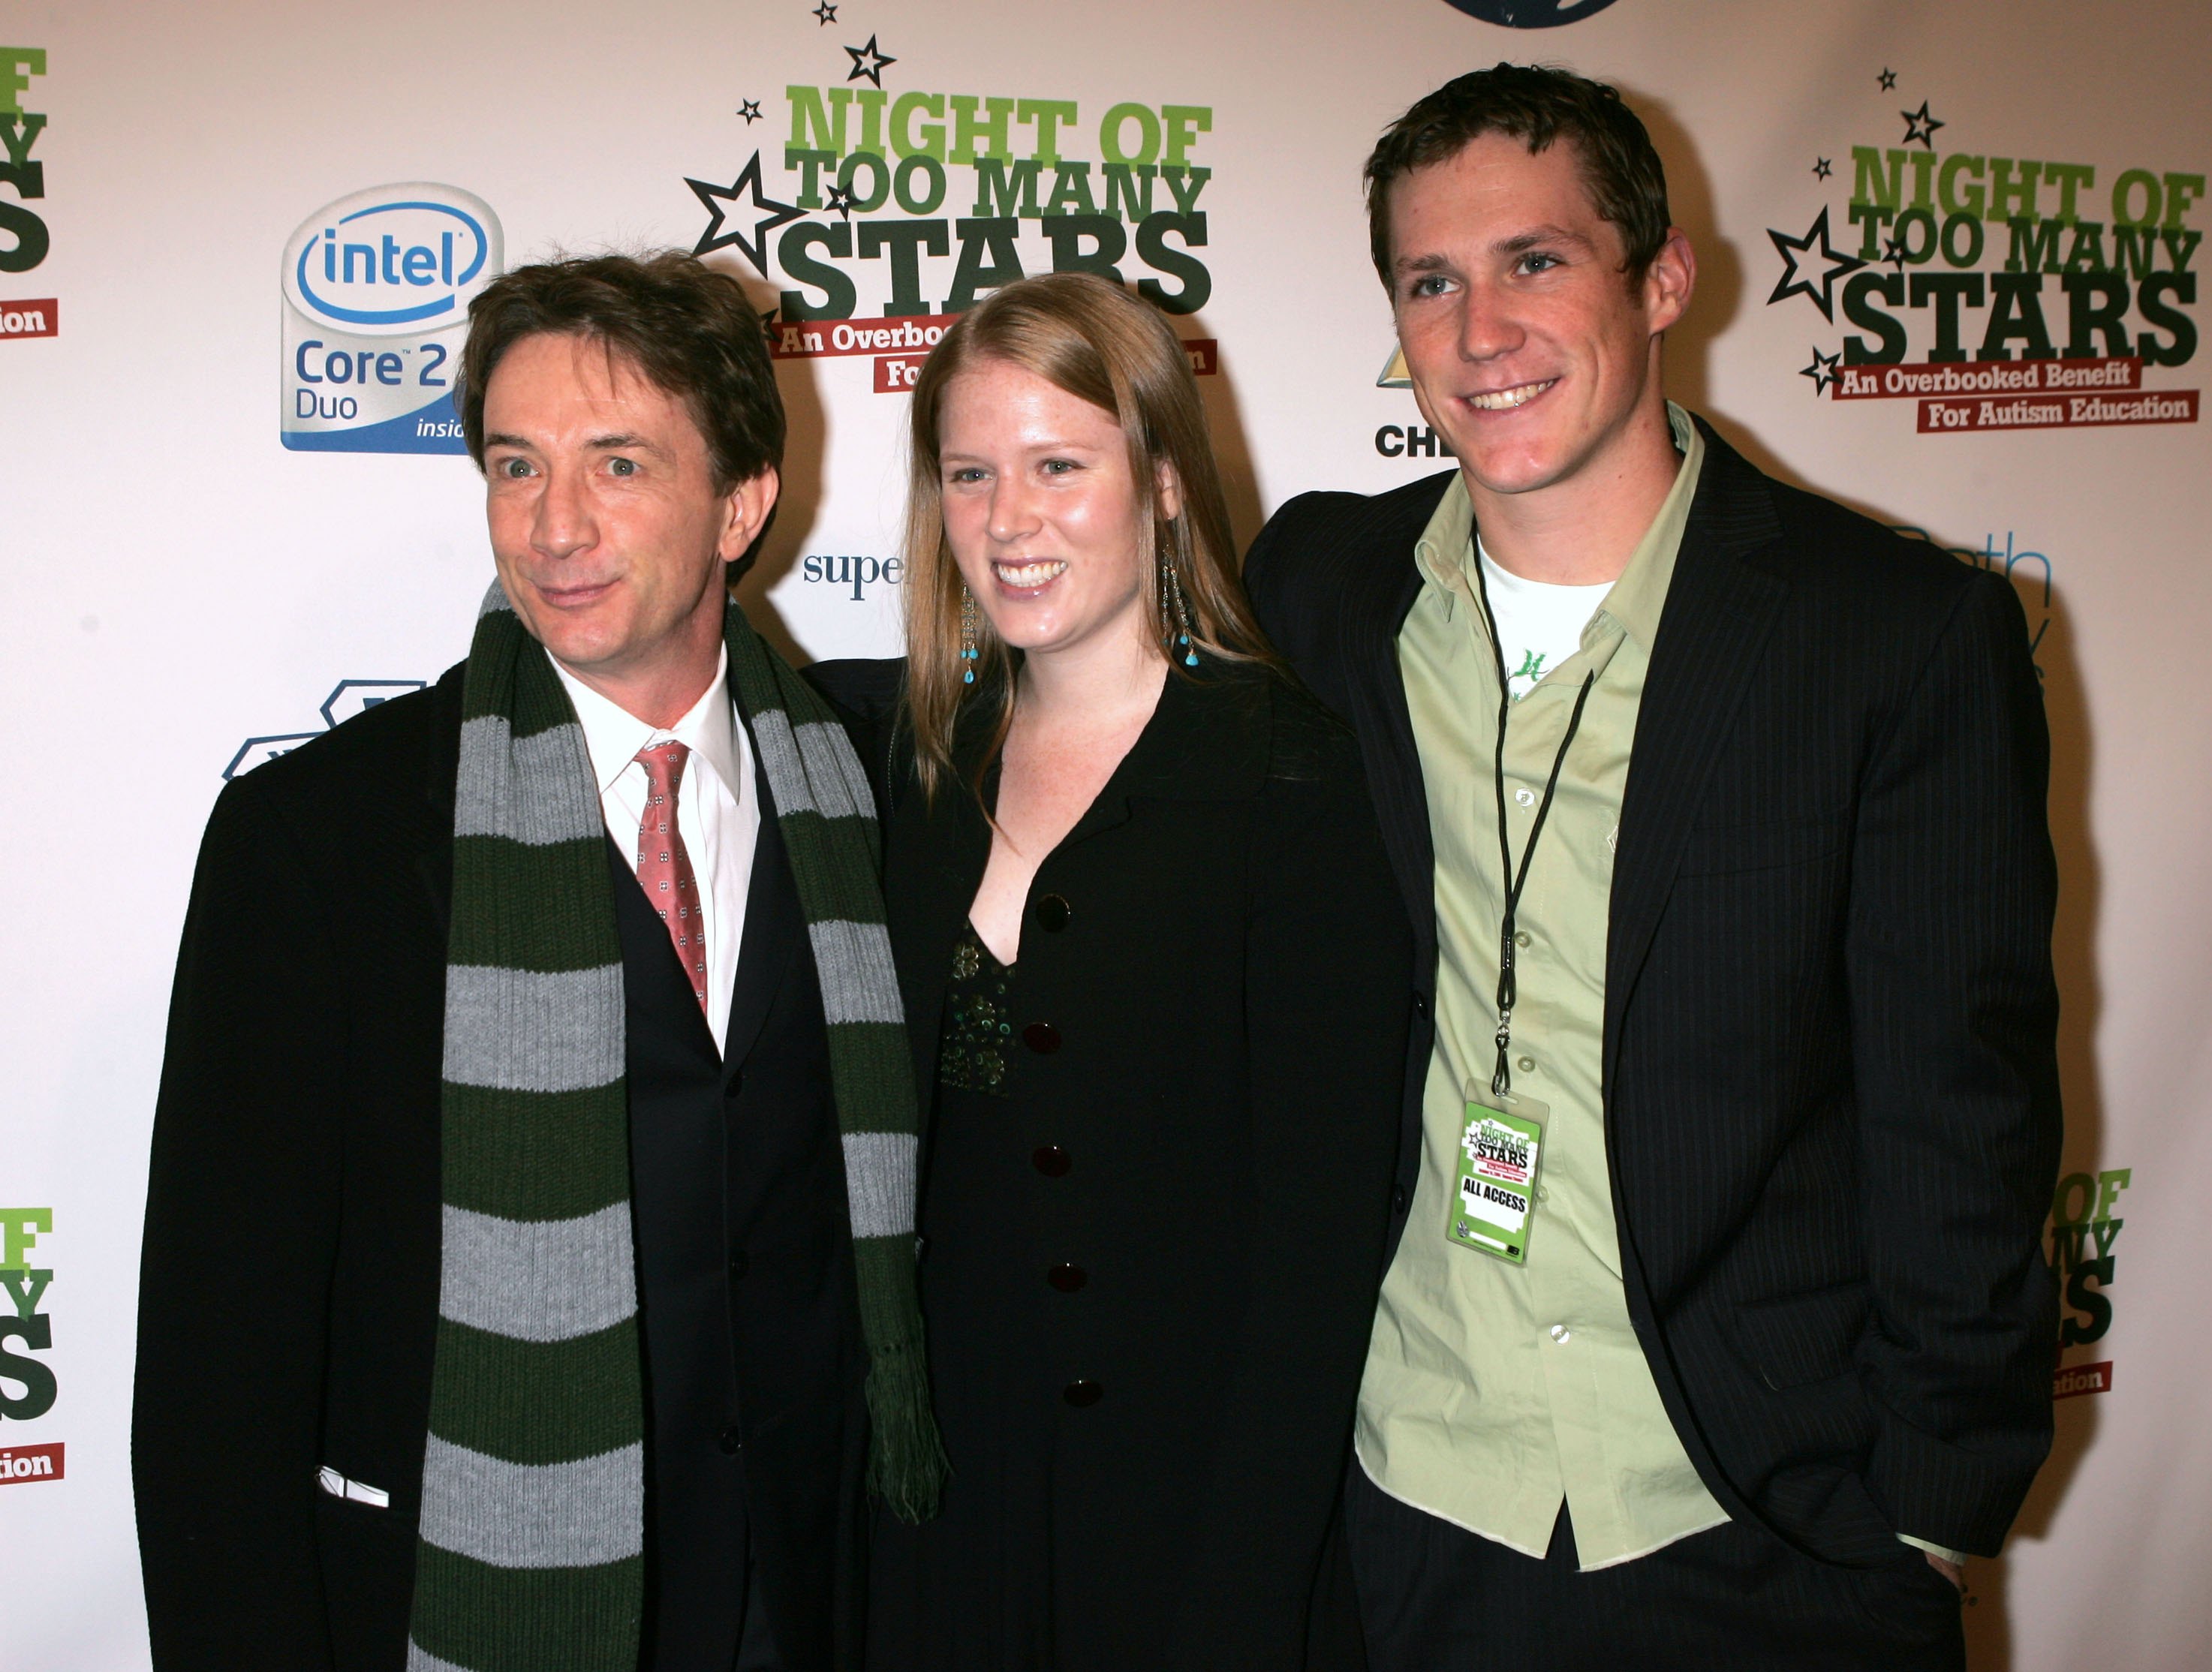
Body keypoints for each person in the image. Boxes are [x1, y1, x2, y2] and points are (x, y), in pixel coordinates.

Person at [1242, 63, 2061, 1671]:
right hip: (1410, 1497)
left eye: (1535, 261)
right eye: (1432, 281)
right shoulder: (1324, 585)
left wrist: (1922, 1517)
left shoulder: (1889, 637)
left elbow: (1963, 1105)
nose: (1481, 331)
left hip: (1755, 1515)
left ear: (1663, 276)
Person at [132, 251, 942, 1672]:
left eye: (618, 462)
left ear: (742, 501)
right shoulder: (321, 842)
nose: (554, 524)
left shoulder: (866, 801)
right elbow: (216, 1381)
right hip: (474, 1604)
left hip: (806, 1604)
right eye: (517, 465)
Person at [808, 271, 1412, 1670]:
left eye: (1058, 466)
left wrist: (1245, 1590)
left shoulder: (1291, 776)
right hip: (941, 1529)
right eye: (971, 472)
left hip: (1201, 1532)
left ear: (1164, 485)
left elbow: (1322, 1255)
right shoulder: (896, 770)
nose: (1008, 520)